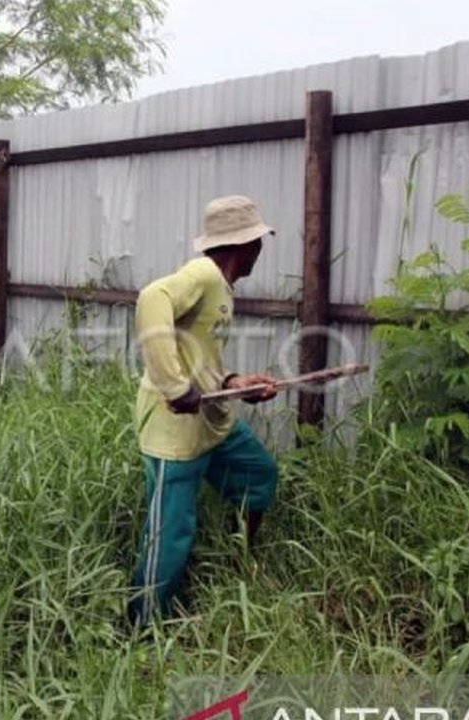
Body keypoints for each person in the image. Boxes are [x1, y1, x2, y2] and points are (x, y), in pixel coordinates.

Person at [128, 195, 282, 626]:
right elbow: (150, 298)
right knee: (170, 535)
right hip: (174, 431)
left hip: (212, 424)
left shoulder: (220, 287)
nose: (260, 251)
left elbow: (201, 356)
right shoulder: (201, 274)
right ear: (246, 244)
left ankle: (239, 567)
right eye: (258, 242)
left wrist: (234, 383)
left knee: (258, 476)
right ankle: (141, 627)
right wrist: (175, 386)